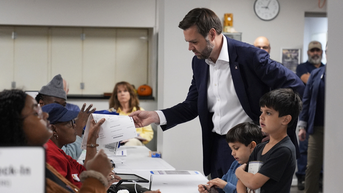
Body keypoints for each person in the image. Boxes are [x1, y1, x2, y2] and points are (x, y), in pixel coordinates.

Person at [129, 7, 304, 179]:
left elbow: (295, 85)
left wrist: (277, 127)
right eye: (188, 42)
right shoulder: (199, 63)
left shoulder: (250, 56)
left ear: (212, 34)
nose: (190, 48)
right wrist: (155, 116)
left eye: (194, 42)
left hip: (250, 146)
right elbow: (191, 105)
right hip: (218, 147)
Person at [0, 89, 112, 193]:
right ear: (15, 124)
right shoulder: (22, 172)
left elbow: (82, 174)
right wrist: (96, 178)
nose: (45, 115)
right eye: (36, 113)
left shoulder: (38, 160)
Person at [235, 88, 302, 193]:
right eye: (262, 111)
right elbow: (242, 182)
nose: (261, 117)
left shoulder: (284, 150)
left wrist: (238, 171)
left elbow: (253, 183)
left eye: (268, 113)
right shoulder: (259, 148)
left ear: (285, 119)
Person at [38, 74, 96, 160]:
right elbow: (68, 156)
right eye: (56, 104)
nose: (60, 109)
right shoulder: (40, 127)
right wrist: (79, 127)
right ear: (41, 103)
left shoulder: (59, 118)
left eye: (63, 105)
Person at [198, 122, 263, 193]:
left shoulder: (258, 169)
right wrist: (211, 188)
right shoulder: (235, 164)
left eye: (236, 148)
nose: (232, 153)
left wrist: (225, 186)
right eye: (231, 149)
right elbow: (223, 183)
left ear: (252, 146)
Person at [295, 40, 325, 190]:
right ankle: (305, 183)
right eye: (312, 50)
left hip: (336, 127)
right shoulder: (314, 72)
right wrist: (302, 125)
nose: (315, 53)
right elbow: (306, 99)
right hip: (316, 125)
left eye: (317, 50)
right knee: (310, 162)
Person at [109, 81, 154, 146]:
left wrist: (134, 137)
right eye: (119, 91)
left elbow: (149, 133)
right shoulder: (111, 112)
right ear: (116, 95)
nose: (122, 94)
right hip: (117, 143)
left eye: (125, 91)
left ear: (130, 94)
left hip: (135, 142)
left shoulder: (140, 111)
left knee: (132, 142)